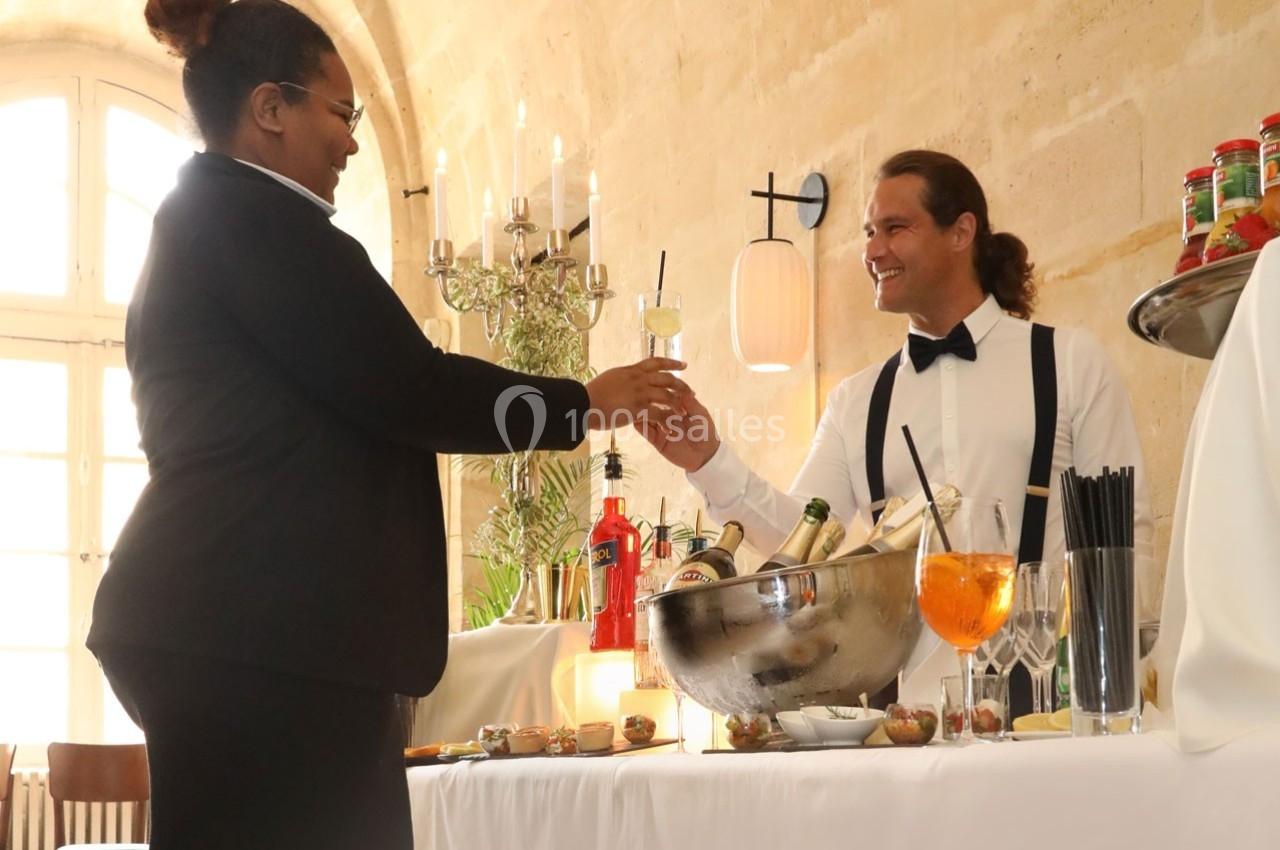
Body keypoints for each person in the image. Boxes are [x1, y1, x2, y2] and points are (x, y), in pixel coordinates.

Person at [87, 2, 689, 848]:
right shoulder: (256, 221)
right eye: (340, 113)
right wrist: (585, 401)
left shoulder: (207, 219)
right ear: (270, 109)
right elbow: (409, 387)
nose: (352, 142)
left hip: (233, 626)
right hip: (258, 634)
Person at [642, 149, 1154, 710]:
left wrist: (1117, 690)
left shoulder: (1070, 363)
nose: (871, 251)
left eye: (895, 229)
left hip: (1054, 711)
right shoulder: (856, 401)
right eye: (868, 232)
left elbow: (1126, 533)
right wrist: (707, 460)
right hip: (913, 719)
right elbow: (807, 545)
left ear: (961, 232)